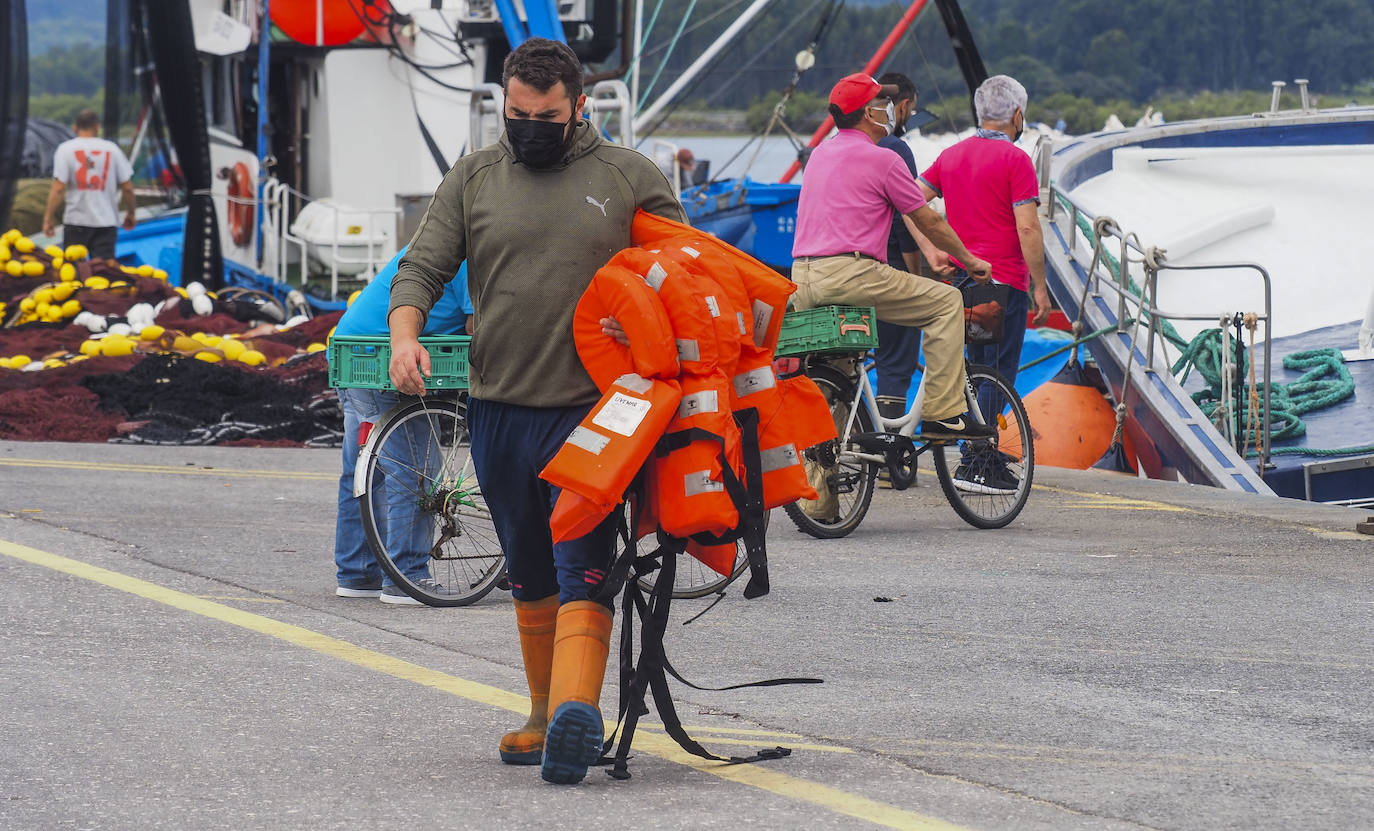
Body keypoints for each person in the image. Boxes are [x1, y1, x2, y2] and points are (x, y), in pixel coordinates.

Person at [386, 38, 684, 785]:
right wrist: (404, 336)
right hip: (497, 410)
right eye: (516, 113)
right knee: (525, 567)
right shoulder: (477, 175)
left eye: (544, 115)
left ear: (578, 106)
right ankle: (545, 711)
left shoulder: (628, 177)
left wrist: (645, 316)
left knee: (581, 561)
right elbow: (423, 265)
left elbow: (685, 274)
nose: (528, 126)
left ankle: (576, 715)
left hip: (594, 412)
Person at [790, 73, 995, 445]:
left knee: (837, 375)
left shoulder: (819, 154)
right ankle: (943, 416)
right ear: (869, 113)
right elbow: (927, 219)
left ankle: (825, 483)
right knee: (946, 303)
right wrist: (968, 258)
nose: (889, 110)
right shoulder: (882, 159)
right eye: (882, 103)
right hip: (850, 274)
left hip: (802, 277)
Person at [916, 74, 1051, 493]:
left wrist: (930, 249)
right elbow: (1028, 229)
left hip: (959, 279)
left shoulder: (951, 155)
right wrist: (1040, 287)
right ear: (1017, 114)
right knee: (995, 370)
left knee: (972, 366)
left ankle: (974, 454)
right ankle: (978, 460)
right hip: (1003, 281)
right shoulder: (1016, 160)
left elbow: (912, 200)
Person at [330, 248, 472, 605]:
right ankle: (408, 576)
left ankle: (359, 573)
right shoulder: (471, 256)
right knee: (418, 471)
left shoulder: (435, 242)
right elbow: (477, 326)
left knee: (367, 472)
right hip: (387, 362)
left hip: (352, 353)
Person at [871, 72, 955, 423]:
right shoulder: (895, 149)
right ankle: (896, 448)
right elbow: (909, 221)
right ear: (903, 107)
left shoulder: (837, 148)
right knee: (896, 361)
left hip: (835, 266)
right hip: (887, 266)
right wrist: (917, 271)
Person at [42, 109, 136, 259]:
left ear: (75, 127)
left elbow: (58, 189)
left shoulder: (65, 149)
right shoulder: (112, 149)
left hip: (76, 221)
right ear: (97, 126)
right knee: (103, 273)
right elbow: (128, 188)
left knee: (74, 274)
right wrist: (131, 212)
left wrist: (48, 218)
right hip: (106, 221)